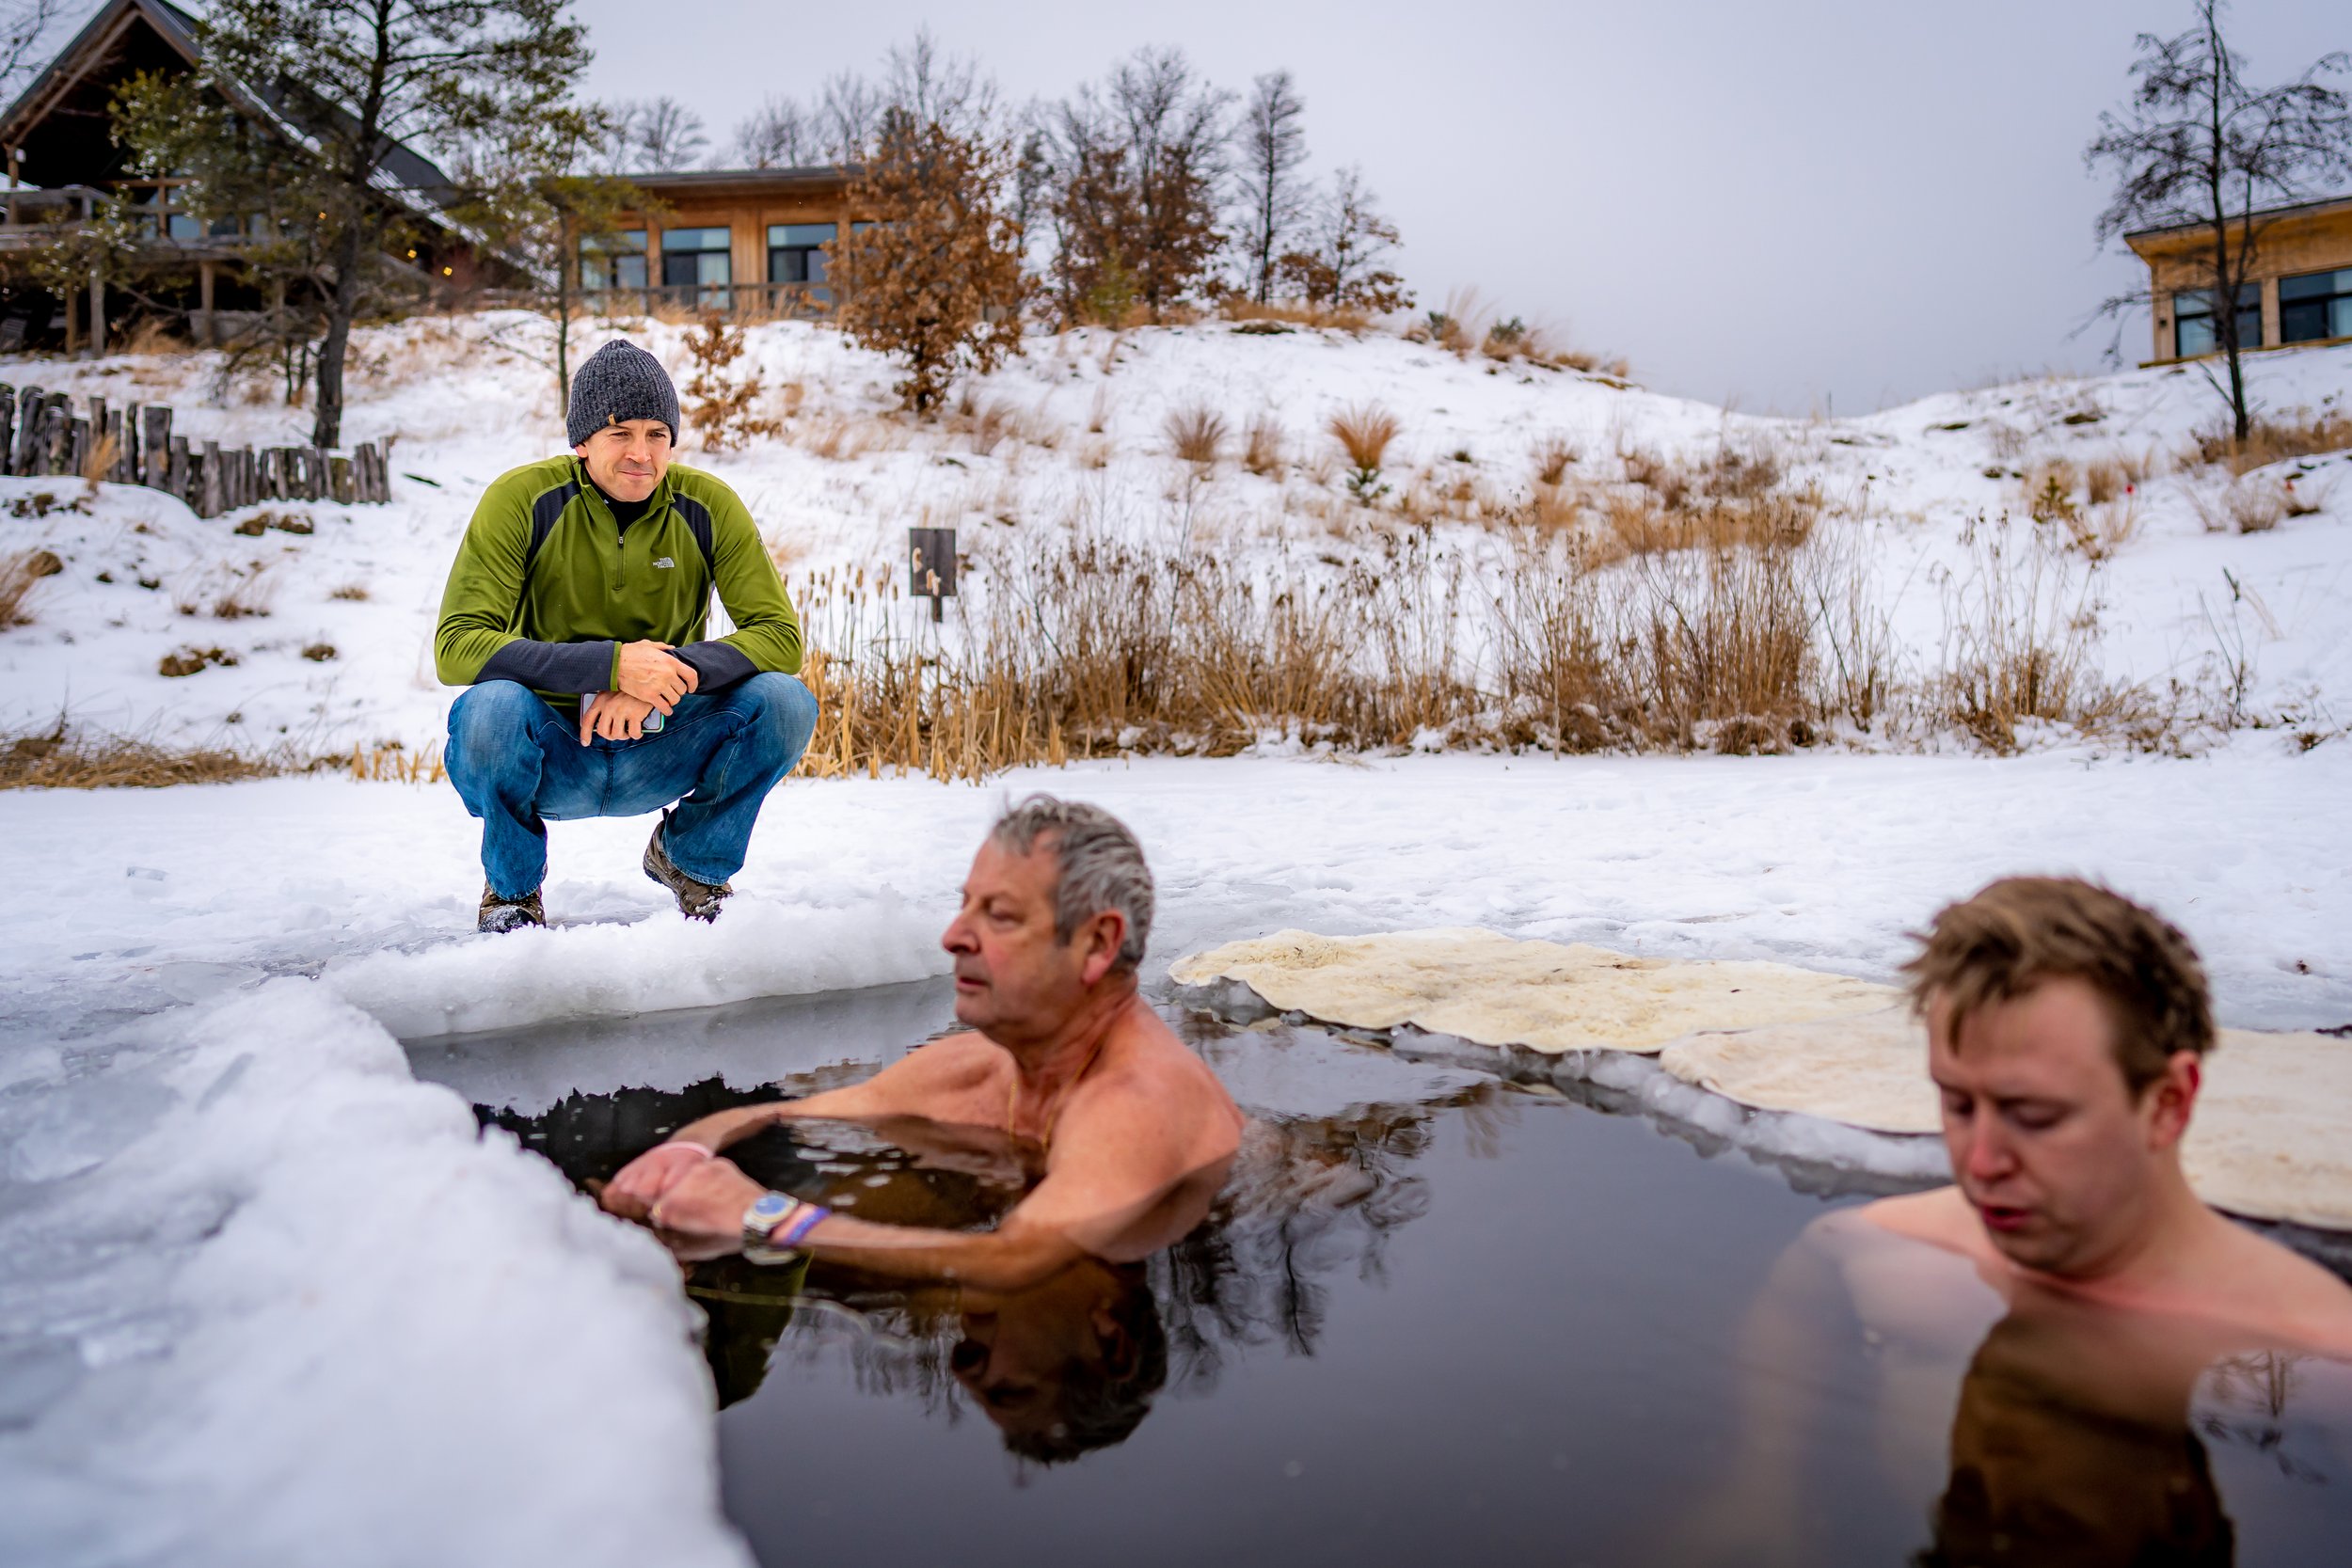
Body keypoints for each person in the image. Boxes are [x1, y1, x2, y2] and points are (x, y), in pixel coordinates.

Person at [1682, 877, 2352, 1565]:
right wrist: (1762, 1483)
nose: (1981, 1160)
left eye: (2034, 1114)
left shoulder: (2312, 1357)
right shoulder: (1885, 1248)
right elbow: (1809, 1282)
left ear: (2168, 1102)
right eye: (1959, 1103)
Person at [600, 795, 1247, 1290]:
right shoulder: (986, 1064)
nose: (953, 936)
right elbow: (781, 1112)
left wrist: (768, 1216)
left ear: (1098, 944)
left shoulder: (1138, 1103)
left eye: (999, 915)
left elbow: (1017, 1254)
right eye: (966, 906)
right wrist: (689, 1146)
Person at [435, 340, 818, 932]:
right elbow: (457, 646)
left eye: (657, 434)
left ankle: (691, 862)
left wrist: (659, 676)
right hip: (552, 751)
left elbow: (780, 637)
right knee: (489, 710)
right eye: (620, 433)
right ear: (582, 441)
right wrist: (610, 666)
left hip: (662, 742)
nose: (642, 453)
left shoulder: (707, 506)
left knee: (785, 701)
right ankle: (511, 893)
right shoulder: (522, 500)